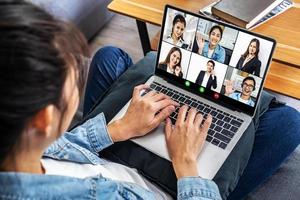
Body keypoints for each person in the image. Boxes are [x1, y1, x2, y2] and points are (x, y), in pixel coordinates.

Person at [1, 1, 300, 200]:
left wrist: (118, 129)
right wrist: (186, 164)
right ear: (44, 118)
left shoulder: (18, 153)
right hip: (175, 186)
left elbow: (58, 149)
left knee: (110, 58)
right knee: (288, 122)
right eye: (71, 80)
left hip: (105, 153)